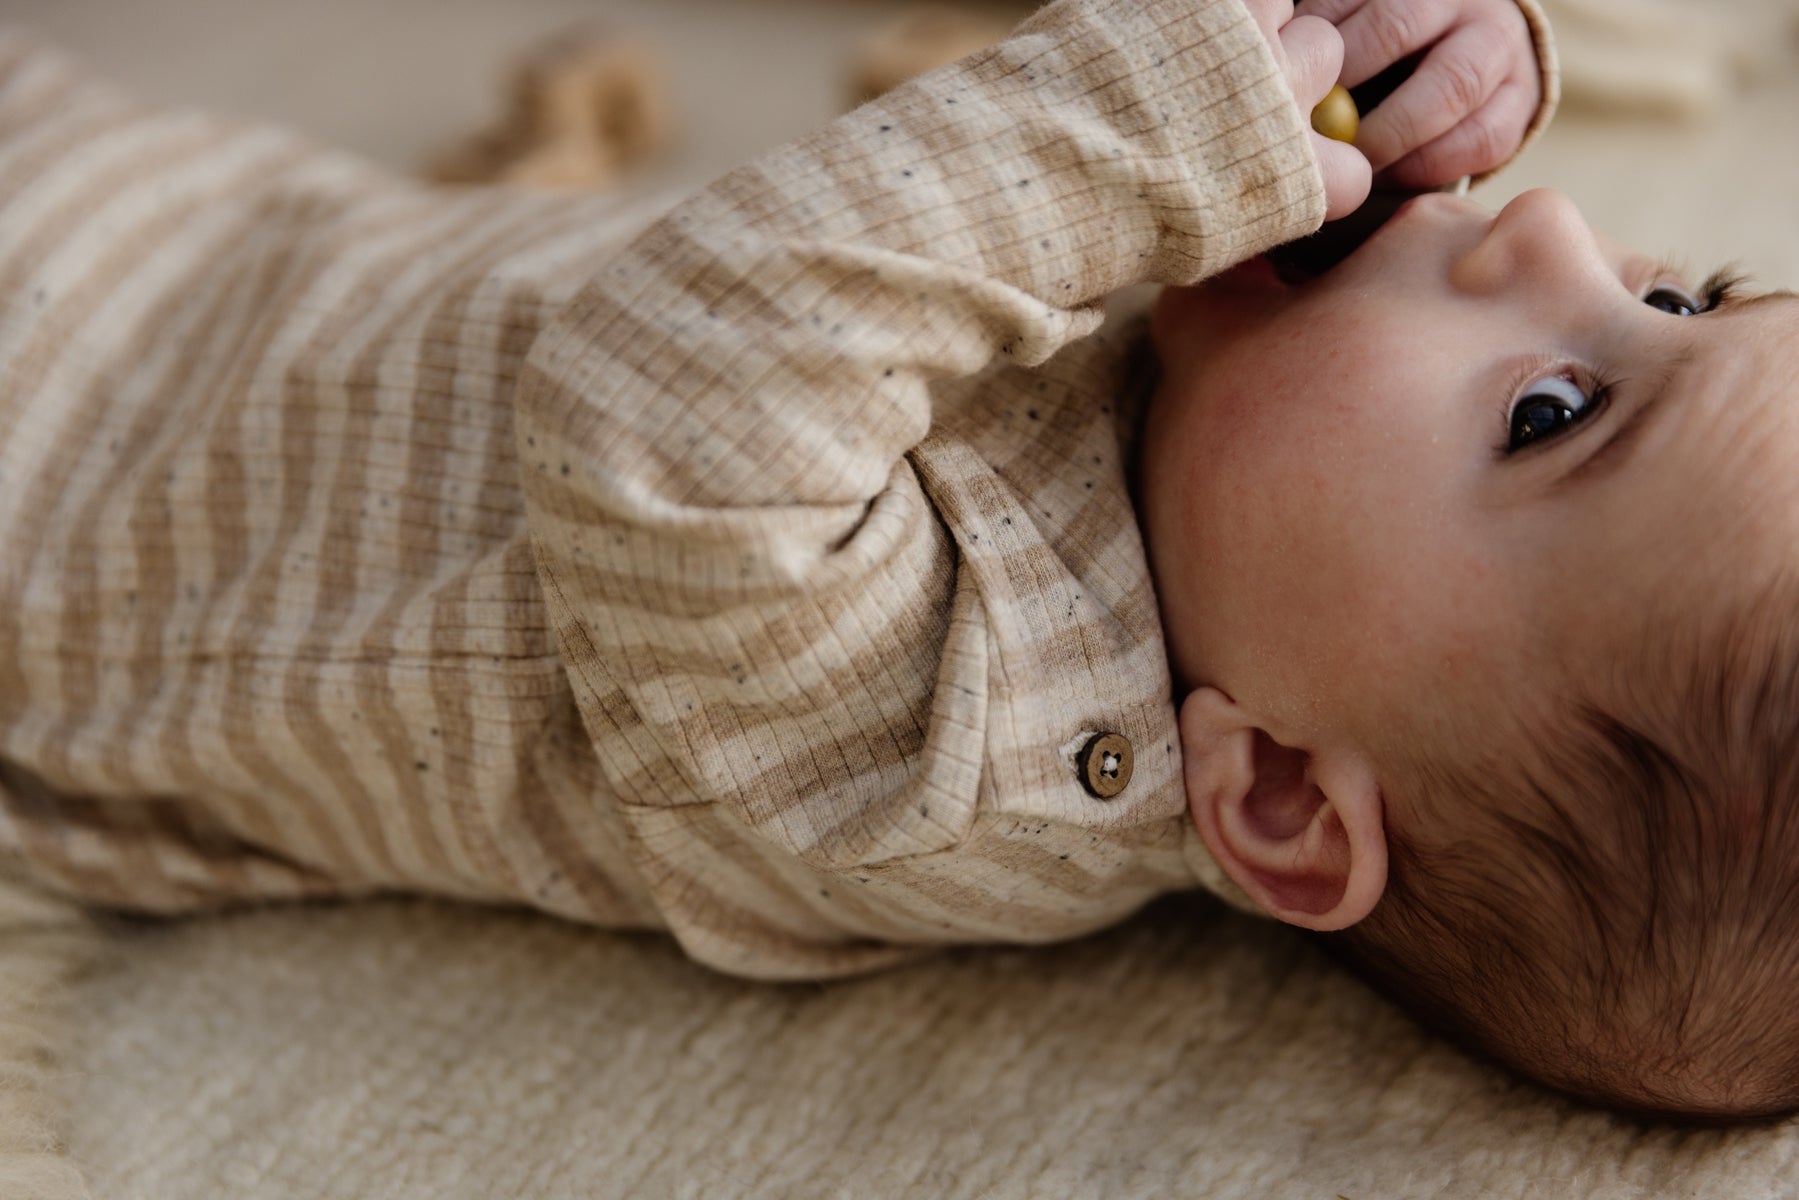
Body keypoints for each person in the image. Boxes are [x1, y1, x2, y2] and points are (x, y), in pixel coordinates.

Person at [4, 0, 1790, 1122]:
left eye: (1554, 413)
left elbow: (666, 389)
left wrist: (1149, 121)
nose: (1556, 226)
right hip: (168, 234)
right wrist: (1405, 60)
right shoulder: (1225, 472)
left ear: (1281, 808)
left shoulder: (945, 736)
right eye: (1674, 295)